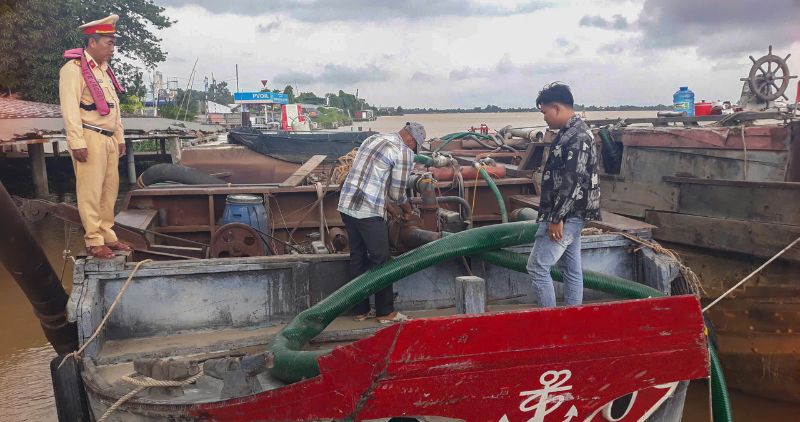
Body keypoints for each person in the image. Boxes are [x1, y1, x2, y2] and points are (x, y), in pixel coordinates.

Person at [337, 122, 425, 323]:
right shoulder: (403, 152)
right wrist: (408, 210)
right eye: (415, 147)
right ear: (411, 140)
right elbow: (397, 193)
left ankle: (360, 310)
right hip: (367, 211)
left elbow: (371, 180)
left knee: (358, 256)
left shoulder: (374, 138)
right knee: (382, 260)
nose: (413, 150)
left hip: (346, 204)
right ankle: (385, 312)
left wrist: (390, 208)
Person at [59, 14, 131, 259]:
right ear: (92, 43)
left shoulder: (103, 70)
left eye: (112, 43)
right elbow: (70, 109)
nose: (112, 48)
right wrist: (76, 142)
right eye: (108, 42)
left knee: (109, 190)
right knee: (90, 190)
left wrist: (119, 137)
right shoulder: (73, 69)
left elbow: (114, 107)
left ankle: (107, 234)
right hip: (89, 136)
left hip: (108, 138)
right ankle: (93, 239)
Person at [527, 83, 601, 307]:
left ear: (556, 108)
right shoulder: (570, 132)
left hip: (567, 215)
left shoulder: (576, 137)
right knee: (571, 269)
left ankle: (550, 322)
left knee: (537, 267)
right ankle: (572, 318)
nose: (545, 118)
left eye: (545, 112)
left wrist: (557, 218)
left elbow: (573, 181)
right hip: (572, 214)